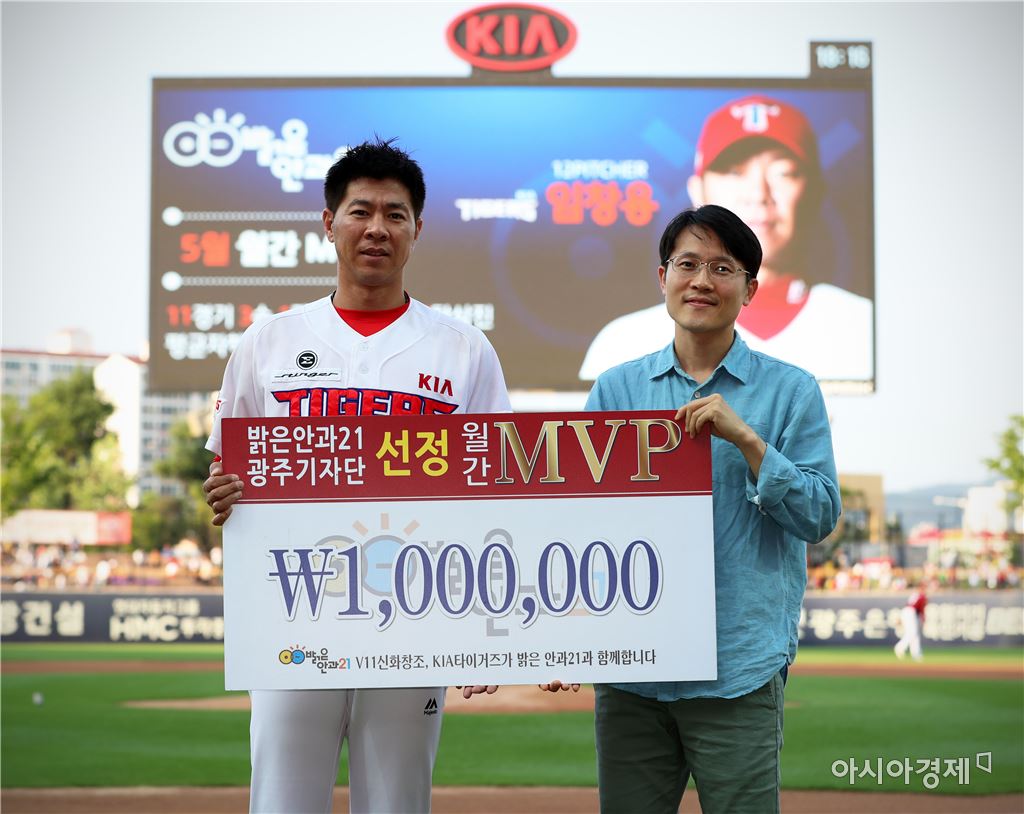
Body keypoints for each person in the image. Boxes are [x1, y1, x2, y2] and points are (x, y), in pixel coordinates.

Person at [202, 138, 510, 814]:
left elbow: (494, 488)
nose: (377, 228)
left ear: (417, 230)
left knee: (397, 802)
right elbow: (231, 466)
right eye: (360, 211)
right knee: (282, 800)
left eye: (395, 215)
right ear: (329, 222)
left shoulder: (463, 348)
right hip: (293, 609)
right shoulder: (268, 342)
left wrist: (483, 629)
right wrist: (223, 489)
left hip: (417, 612)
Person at [573, 204, 840, 813]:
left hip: (737, 668)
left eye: (722, 268)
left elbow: (820, 515)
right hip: (633, 670)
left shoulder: (792, 390)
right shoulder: (616, 389)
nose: (702, 281)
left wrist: (749, 441)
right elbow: (583, 522)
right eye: (687, 264)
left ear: (750, 288)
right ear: (662, 276)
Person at [579, 95, 872, 383]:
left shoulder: (862, 326)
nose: (758, 194)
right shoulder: (623, 344)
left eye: (784, 173)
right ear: (698, 191)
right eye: (734, 172)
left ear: (814, 193)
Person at [894, 585, 927, 661]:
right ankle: (899, 648)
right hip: (911, 613)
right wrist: (923, 619)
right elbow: (921, 609)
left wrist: (901, 617)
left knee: (914, 634)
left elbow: (908, 606)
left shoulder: (914, 595)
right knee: (912, 633)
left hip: (908, 612)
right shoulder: (922, 596)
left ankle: (916, 654)